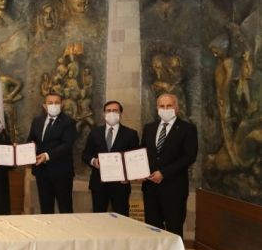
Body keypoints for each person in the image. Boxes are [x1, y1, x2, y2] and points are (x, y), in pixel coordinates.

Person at [141, 93, 198, 242]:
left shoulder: (187, 129)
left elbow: (189, 157)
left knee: (174, 228)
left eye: (169, 106)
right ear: (157, 108)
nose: (165, 109)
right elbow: (142, 153)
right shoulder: (149, 128)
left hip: (174, 188)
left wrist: (164, 173)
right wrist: (139, 172)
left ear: (176, 108)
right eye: (162, 106)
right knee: (152, 228)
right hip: (150, 188)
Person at [81, 100, 139, 216]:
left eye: (115, 111)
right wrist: (94, 161)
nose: (111, 113)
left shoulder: (131, 134)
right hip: (98, 184)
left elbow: (135, 159)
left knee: (122, 218)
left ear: (120, 114)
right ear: (104, 114)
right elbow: (85, 155)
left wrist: (129, 176)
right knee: (99, 218)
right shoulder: (95, 133)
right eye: (108, 111)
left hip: (120, 185)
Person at [27, 92, 77, 214]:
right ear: (44, 106)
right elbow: (31, 139)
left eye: (56, 102)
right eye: (50, 103)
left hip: (61, 172)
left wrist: (47, 156)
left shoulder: (69, 122)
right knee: (45, 208)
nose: (53, 105)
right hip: (41, 172)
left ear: (62, 105)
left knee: (65, 208)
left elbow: (67, 145)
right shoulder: (37, 121)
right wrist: (30, 146)